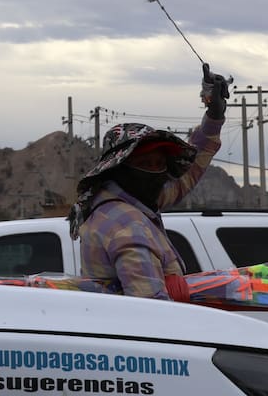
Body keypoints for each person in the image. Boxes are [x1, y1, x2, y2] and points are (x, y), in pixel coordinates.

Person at [67, 64, 231, 301]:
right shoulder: (127, 226)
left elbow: (188, 173)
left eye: (159, 163)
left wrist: (214, 115)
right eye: (145, 163)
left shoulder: (123, 203)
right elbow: (152, 309)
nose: (155, 171)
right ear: (120, 168)